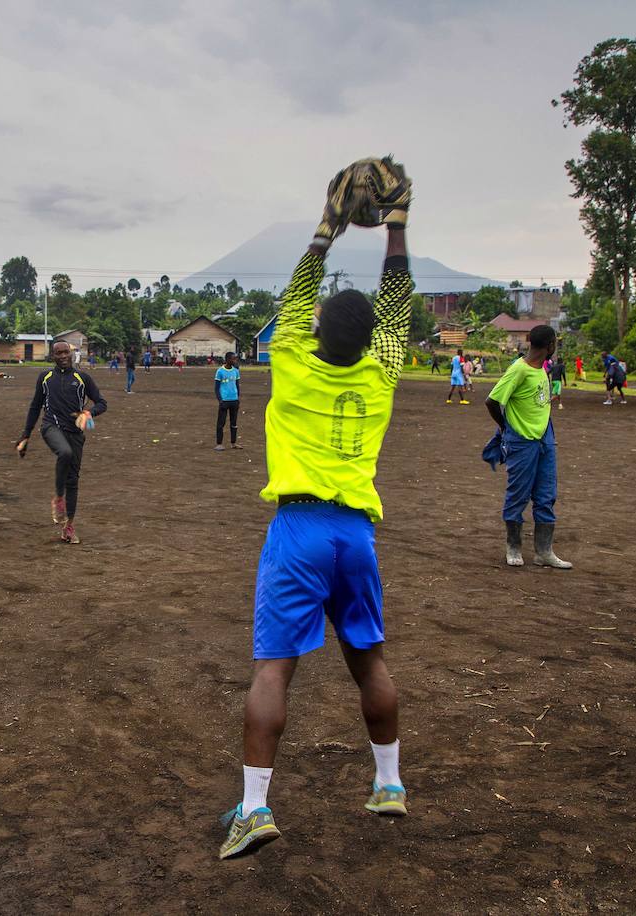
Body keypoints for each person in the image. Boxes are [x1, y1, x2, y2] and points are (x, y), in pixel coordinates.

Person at [219, 158, 414, 862]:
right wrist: (396, 225)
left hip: (297, 530)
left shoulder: (292, 357)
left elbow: (297, 298)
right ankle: (388, 785)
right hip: (356, 535)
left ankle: (254, 808)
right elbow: (397, 303)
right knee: (371, 664)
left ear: (316, 331)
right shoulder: (384, 367)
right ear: (369, 341)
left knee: (274, 671)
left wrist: (328, 227)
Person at [484, 325, 572, 571]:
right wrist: (505, 428)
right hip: (522, 441)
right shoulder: (518, 370)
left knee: (546, 495)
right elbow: (492, 401)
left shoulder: (542, 368)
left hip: (545, 438)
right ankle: (513, 547)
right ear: (550, 345)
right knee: (518, 494)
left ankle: (544, 552)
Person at [15, 341, 108, 545]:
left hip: (75, 433)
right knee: (64, 453)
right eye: (58, 353)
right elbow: (35, 407)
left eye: (66, 352)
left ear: (72, 354)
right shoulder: (45, 378)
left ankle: (69, 526)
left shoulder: (82, 378)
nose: (63, 356)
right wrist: (26, 435)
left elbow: (102, 403)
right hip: (51, 427)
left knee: (73, 480)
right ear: (53, 356)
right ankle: (58, 498)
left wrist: (88, 412)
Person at [213, 351, 242, 451]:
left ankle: (233, 443)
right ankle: (219, 443)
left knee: (234, 423)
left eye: (235, 359)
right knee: (221, 423)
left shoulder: (236, 371)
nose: (235, 360)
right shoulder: (220, 371)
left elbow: (237, 386)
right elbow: (216, 388)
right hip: (224, 401)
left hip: (234, 400)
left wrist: (238, 398)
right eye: (233, 359)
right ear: (227, 359)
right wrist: (220, 400)